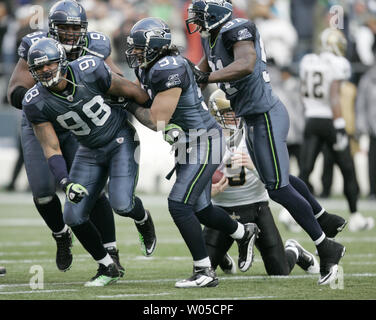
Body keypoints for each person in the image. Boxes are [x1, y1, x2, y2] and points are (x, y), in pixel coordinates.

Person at [185, 0, 346, 285]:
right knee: (278, 178)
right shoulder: (213, 39)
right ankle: (323, 217)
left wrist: (206, 76)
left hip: (266, 114)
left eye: (200, 16)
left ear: (214, 15)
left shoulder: (238, 28)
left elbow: (246, 64)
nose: (196, 21)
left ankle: (325, 245)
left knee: (277, 188)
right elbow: (196, 76)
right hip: (254, 117)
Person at [7, 0, 156, 275]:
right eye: (63, 27)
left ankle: (111, 251)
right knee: (42, 192)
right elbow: (15, 90)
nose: (69, 33)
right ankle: (61, 235)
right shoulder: (36, 46)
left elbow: (117, 81)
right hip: (42, 120)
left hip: (79, 123)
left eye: (75, 27)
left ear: (84, 28)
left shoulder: (95, 48)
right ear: (52, 27)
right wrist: (44, 86)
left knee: (94, 189)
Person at [124, 17, 259, 288]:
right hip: (187, 143)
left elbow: (156, 120)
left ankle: (204, 271)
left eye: (138, 48)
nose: (134, 53)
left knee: (178, 203)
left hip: (203, 140)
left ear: (154, 47)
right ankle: (244, 233)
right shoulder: (152, 67)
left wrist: (126, 103)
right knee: (201, 208)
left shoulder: (167, 68)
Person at [204, 89, 319, 276]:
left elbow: (278, 178)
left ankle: (294, 251)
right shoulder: (206, 140)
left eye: (236, 111)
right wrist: (210, 192)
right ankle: (221, 254)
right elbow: (194, 184)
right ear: (216, 114)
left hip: (256, 208)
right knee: (202, 269)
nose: (234, 116)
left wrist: (254, 166)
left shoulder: (256, 133)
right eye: (228, 113)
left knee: (279, 271)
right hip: (222, 211)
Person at [299, 27, 374, 232]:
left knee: (306, 169)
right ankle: (356, 216)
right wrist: (340, 126)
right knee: (347, 168)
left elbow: (302, 92)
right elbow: (334, 96)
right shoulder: (339, 63)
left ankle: (289, 213)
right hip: (329, 121)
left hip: (311, 119)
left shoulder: (308, 60)